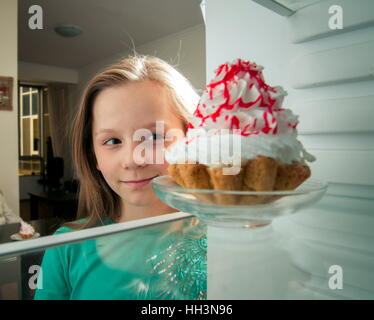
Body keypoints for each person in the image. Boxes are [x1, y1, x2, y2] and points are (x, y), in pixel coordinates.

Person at [34, 55, 207, 300]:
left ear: (192, 139)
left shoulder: (226, 237)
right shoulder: (64, 248)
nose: (132, 160)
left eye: (154, 136)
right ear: (93, 155)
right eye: (112, 141)